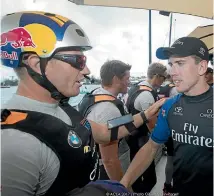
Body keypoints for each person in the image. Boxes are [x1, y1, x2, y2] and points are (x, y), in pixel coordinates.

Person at [1, 11, 165, 196]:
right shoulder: (15, 141)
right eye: (78, 61)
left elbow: (104, 131)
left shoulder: (61, 107)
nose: (86, 70)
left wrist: (147, 112)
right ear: (37, 64)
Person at [120, 37, 213, 196]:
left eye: (180, 63)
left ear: (202, 67)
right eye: (171, 64)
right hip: (181, 189)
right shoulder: (170, 105)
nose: (171, 72)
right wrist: (123, 184)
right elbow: (151, 147)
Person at [78, 60, 131, 181]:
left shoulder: (95, 95)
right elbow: (109, 160)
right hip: (106, 171)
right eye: (127, 78)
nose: (129, 82)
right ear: (116, 79)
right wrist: (122, 189)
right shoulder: (108, 109)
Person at [125, 62, 167, 193]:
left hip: (131, 136)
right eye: (164, 78)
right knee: (149, 179)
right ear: (156, 76)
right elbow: (152, 124)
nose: (164, 81)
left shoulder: (135, 88)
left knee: (136, 172)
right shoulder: (147, 95)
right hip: (141, 139)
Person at [156, 74, 178, 194]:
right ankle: (174, 185)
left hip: (164, 125)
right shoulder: (176, 89)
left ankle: (167, 185)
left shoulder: (161, 89)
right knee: (177, 159)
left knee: (170, 159)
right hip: (175, 128)